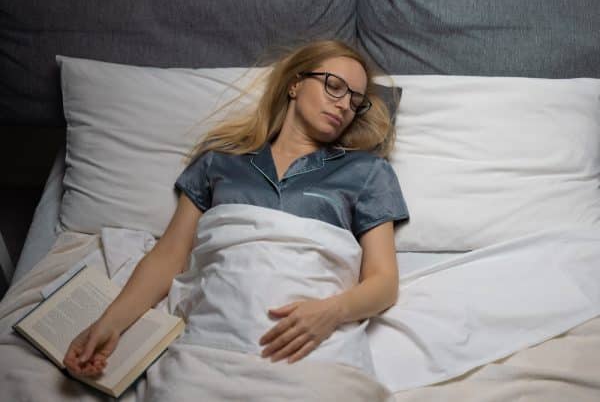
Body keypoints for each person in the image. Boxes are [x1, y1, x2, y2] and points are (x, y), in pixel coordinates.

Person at [63, 39, 408, 378]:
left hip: (316, 344)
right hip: (212, 345)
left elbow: (384, 281)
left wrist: (331, 313)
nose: (344, 105)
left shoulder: (367, 172)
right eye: (334, 86)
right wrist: (110, 324)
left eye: (355, 100)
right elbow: (169, 255)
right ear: (295, 85)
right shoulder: (220, 162)